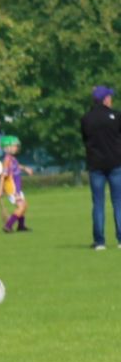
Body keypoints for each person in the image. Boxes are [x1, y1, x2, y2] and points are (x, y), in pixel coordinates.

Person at [79, 85, 121, 251]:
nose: (111, 99)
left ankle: (100, 241)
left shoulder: (86, 119)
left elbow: (85, 139)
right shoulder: (116, 116)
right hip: (116, 164)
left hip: (95, 165)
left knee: (98, 203)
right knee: (118, 202)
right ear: (105, 99)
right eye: (109, 97)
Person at [0, 135, 31, 233]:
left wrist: (25, 168)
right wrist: (0, 189)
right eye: (15, 146)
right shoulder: (7, 160)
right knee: (21, 206)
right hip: (12, 188)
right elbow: (3, 175)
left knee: (24, 205)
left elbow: (17, 166)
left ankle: (21, 226)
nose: (17, 147)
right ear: (7, 148)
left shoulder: (12, 158)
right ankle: (8, 226)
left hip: (17, 187)